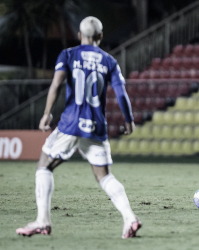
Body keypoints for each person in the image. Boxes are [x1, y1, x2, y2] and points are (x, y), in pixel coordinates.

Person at [16, 16, 142, 238]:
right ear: (100, 37)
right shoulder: (109, 61)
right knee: (104, 176)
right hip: (96, 125)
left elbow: (56, 84)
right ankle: (130, 218)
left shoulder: (68, 54)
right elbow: (121, 93)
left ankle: (42, 221)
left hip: (71, 123)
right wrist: (129, 120)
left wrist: (47, 113)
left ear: (79, 36)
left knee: (44, 165)